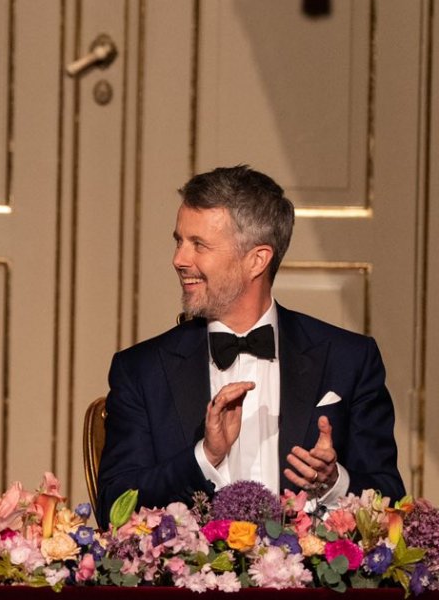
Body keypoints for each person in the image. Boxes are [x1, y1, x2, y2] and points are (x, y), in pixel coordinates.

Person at [96, 164, 405, 518]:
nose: (179, 259)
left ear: (257, 259)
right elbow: (113, 507)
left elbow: (392, 499)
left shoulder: (349, 359)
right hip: (183, 573)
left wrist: (333, 482)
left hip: (311, 573)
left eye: (199, 245)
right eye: (179, 241)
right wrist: (204, 457)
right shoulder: (141, 369)